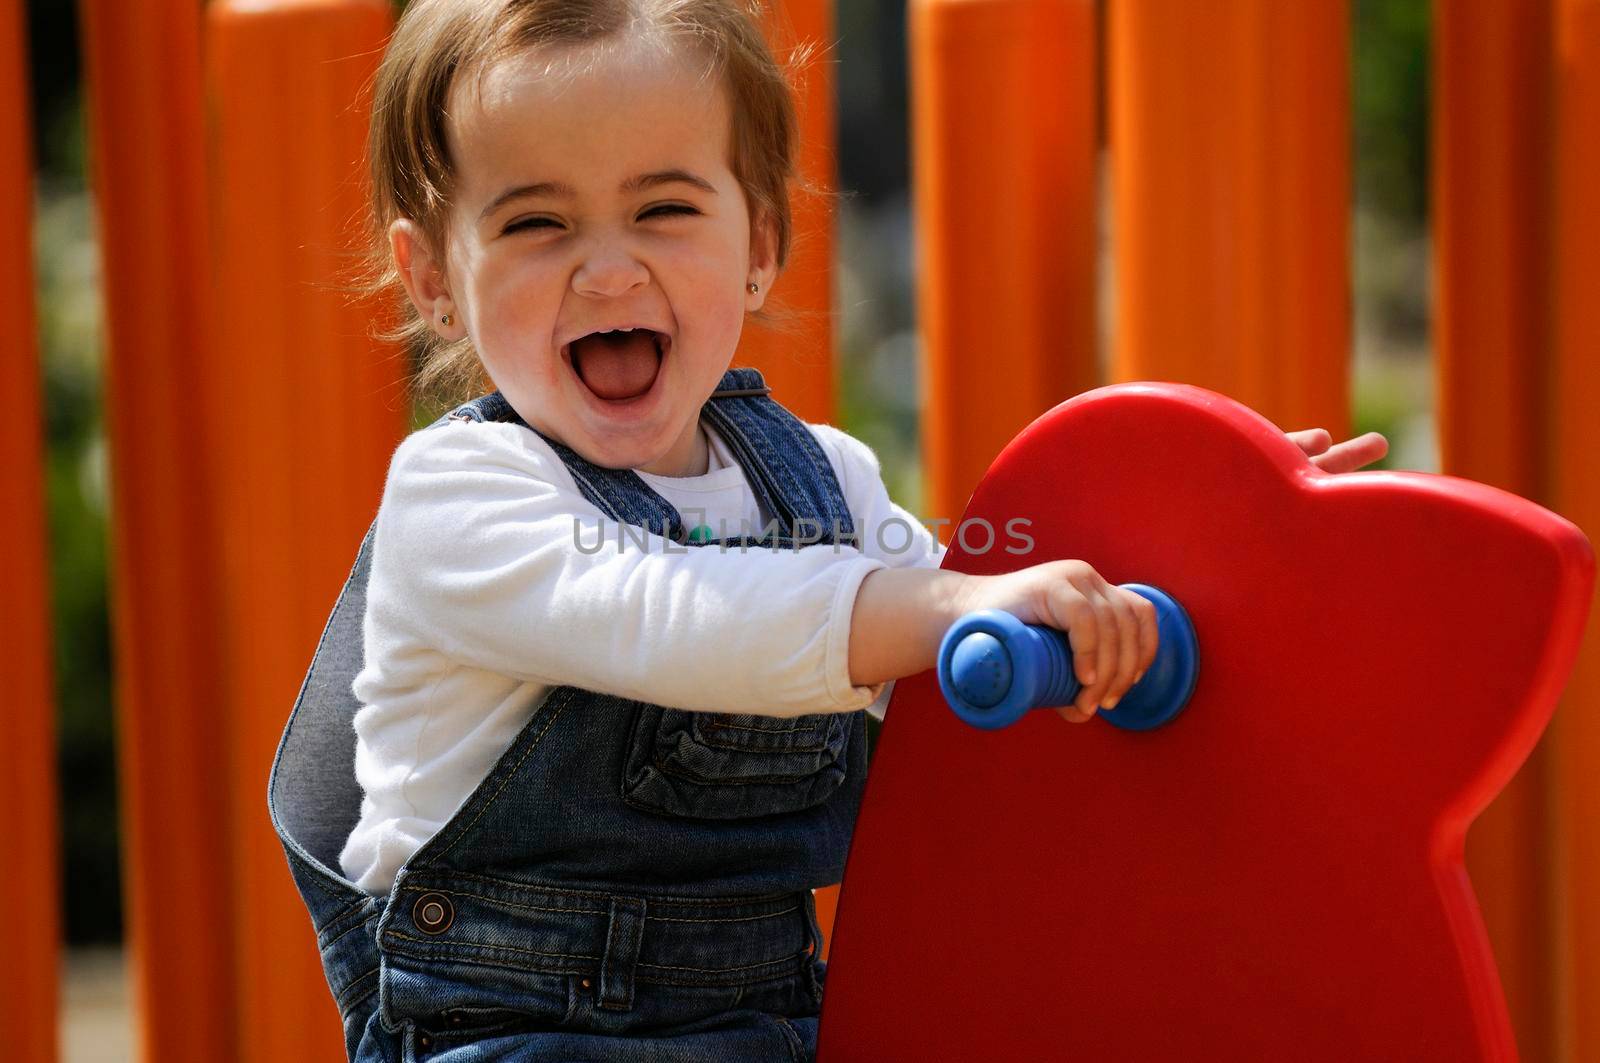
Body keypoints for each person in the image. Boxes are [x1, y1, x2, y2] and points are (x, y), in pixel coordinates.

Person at [268, 1, 1389, 1059]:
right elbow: (673, 613)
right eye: (535, 223)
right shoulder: (461, 493)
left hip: (777, 1018)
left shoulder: (821, 481)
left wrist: (1200, 549)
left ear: (758, 241)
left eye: (663, 208)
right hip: (509, 1030)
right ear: (435, 283)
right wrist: (949, 603)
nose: (606, 266)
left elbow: (965, 656)